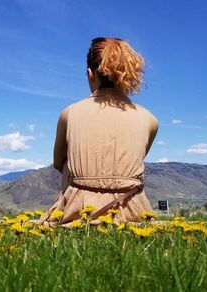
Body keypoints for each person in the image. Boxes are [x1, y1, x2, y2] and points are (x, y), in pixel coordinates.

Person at [38, 37, 159, 226]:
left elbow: (57, 163)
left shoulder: (69, 113)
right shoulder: (150, 120)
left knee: (68, 161)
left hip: (79, 211)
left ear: (90, 73)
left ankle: (72, 212)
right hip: (133, 212)